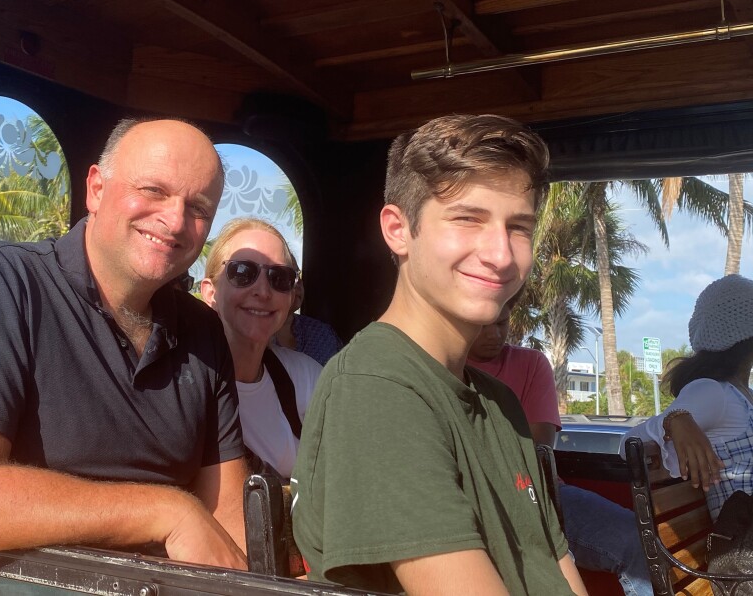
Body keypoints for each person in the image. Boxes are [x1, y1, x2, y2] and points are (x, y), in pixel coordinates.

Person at [0, 118, 248, 568]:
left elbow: (229, 518)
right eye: (154, 190)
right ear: (96, 189)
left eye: (198, 208)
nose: (175, 220)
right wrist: (167, 510)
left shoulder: (202, 330)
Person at [292, 114, 587, 596]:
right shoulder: (377, 386)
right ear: (398, 229)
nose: (501, 254)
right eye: (467, 218)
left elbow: (555, 569)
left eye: (518, 227)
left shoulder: (499, 403)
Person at [468, 299, 653, 596]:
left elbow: (538, 451)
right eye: (482, 326)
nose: (494, 335)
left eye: (501, 324)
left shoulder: (530, 363)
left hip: (539, 493)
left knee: (638, 539)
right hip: (473, 503)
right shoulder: (439, 368)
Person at [622, 273, 753, 520]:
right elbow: (629, 443)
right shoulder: (713, 391)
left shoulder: (741, 394)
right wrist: (675, 419)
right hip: (742, 546)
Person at [201, 218, 321, 482]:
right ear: (210, 293)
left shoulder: (306, 376)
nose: (263, 291)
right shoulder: (183, 388)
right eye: (243, 272)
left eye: (279, 277)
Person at [274, 275, 344, 366]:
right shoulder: (252, 335)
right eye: (287, 274)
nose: (297, 282)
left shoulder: (323, 334)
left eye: (298, 275)